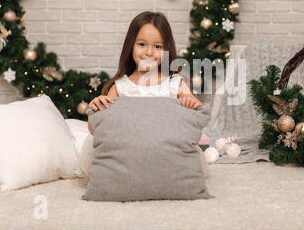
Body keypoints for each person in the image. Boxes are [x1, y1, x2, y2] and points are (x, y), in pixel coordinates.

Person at [80, 11, 209, 178]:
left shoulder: (175, 83)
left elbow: (196, 118)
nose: (149, 52)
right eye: (142, 44)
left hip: (166, 150)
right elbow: (94, 130)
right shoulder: (120, 87)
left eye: (157, 46)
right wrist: (97, 108)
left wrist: (189, 103)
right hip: (128, 154)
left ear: (166, 50)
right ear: (130, 46)